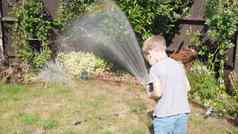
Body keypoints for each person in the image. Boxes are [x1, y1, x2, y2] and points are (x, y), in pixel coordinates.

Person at [143, 35, 191, 134]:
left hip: (164, 115)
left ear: (151, 52)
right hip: (183, 113)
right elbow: (187, 87)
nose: (148, 60)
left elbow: (157, 93)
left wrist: (149, 91)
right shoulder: (179, 64)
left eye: (148, 57)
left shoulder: (155, 68)